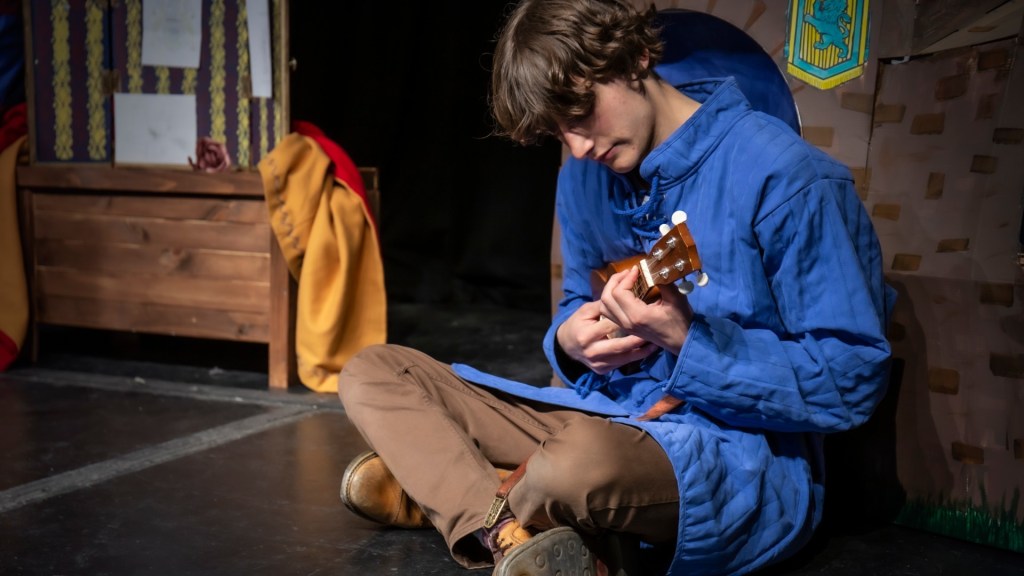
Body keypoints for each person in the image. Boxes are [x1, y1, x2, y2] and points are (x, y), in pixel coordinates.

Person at [336, 0, 896, 575]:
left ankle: (459, 494)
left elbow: (851, 379)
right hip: (601, 418)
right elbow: (578, 300)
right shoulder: (585, 174)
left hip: (731, 453)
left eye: (579, 113)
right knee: (373, 372)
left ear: (635, 57)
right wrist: (571, 343)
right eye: (557, 131)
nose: (577, 147)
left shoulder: (788, 177)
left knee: (572, 467)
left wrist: (689, 341)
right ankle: (507, 530)